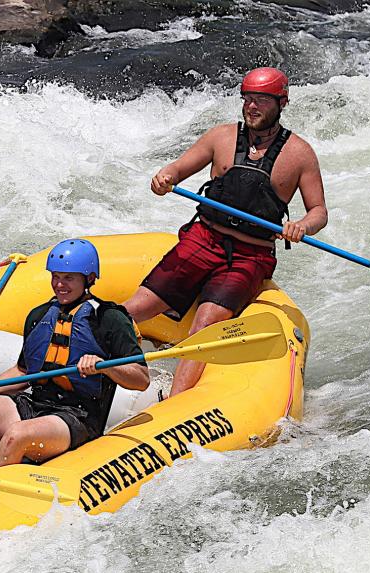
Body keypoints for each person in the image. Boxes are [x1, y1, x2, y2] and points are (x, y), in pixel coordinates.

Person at [124, 66, 327, 395]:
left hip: (250, 255)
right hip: (203, 238)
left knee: (205, 324)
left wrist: (301, 226)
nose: (252, 107)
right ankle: (106, 370)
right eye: (248, 99)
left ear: (282, 103)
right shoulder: (221, 137)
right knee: (133, 309)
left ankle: (175, 401)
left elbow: (319, 211)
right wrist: (164, 178)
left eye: (262, 100)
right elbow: (177, 169)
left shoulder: (300, 154)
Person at [0, 239, 149, 485]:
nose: (59, 284)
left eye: (68, 278)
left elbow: (141, 379)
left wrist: (106, 366)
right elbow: (22, 371)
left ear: (89, 279)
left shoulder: (110, 319)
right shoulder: (39, 315)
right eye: (55, 277)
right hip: (35, 406)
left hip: (78, 418)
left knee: (17, 434)